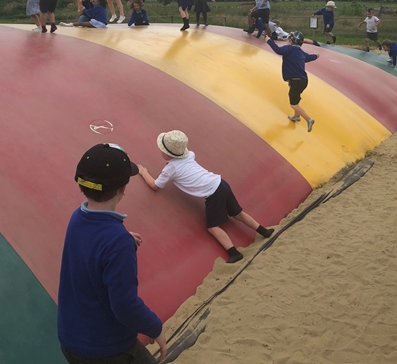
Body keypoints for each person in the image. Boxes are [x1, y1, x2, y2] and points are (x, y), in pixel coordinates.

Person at [58, 143, 167, 363]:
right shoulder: (117, 242)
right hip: (106, 348)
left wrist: (122, 237)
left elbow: (92, 243)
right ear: (122, 189)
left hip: (71, 339)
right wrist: (155, 327)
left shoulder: (78, 217)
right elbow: (125, 305)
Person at [137, 130, 275, 264]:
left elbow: (155, 185)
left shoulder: (170, 169)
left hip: (213, 193)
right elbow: (182, 164)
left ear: (167, 154)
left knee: (213, 227)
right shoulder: (189, 155)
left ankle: (234, 253)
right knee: (238, 213)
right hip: (221, 183)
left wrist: (143, 172)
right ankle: (264, 231)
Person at [267, 31, 319, 132]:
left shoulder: (289, 49)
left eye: (288, 39)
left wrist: (269, 41)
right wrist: (316, 55)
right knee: (296, 97)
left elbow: (278, 50)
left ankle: (308, 119)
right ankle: (296, 116)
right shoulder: (300, 52)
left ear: (291, 41)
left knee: (293, 103)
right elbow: (309, 57)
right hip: (303, 80)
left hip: (296, 81)